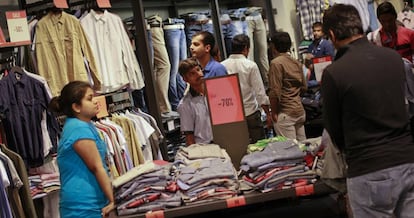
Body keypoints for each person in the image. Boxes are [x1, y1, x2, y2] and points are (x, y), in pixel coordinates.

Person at [322, 4, 414, 217]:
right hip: (407, 160)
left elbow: (334, 129)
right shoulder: (394, 60)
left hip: (368, 167)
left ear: (333, 35)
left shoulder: (334, 73)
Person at [48, 81, 114, 217]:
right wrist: (114, 200)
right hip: (83, 206)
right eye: (89, 98)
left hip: (89, 202)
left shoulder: (85, 125)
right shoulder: (78, 128)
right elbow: (97, 167)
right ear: (76, 107)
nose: (95, 101)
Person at [221, 34, 271, 143]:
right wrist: (268, 114)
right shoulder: (250, 65)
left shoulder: (222, 66)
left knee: (239, 148)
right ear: (245, 48)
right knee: (259, 148)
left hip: (232, 115)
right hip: (251, 113)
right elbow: (260, 93)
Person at [268, 31, 307, 141]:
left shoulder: (276, 63)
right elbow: (304, 87)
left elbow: (274, 92)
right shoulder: (296, 62)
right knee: (303, 150)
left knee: (290, 153)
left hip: (285, 113)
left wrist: (274, 113)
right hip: (299, 111)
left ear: (274, 47)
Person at [177, 57, 213, 146]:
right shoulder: (185, 105)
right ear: (185, 79)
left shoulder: (216, 91)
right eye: (192, 73)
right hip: (205, 149)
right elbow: (189, 138)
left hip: (226, 141)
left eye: (198, 70)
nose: (198, 74)